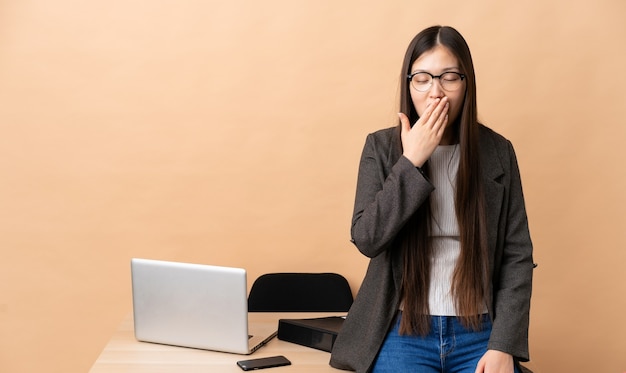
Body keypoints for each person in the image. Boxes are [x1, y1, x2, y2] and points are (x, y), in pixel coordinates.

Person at [329, 25, 534, 373]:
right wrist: (411, 162)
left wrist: (503, 345)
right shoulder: (381, 148)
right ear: (409, 85)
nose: (435, 92)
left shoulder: (498, 152)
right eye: (422, 78)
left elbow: (517, 256)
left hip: (479, 330)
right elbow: (367, 238)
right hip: (402, 327)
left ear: (466, 83)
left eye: (449, 77)